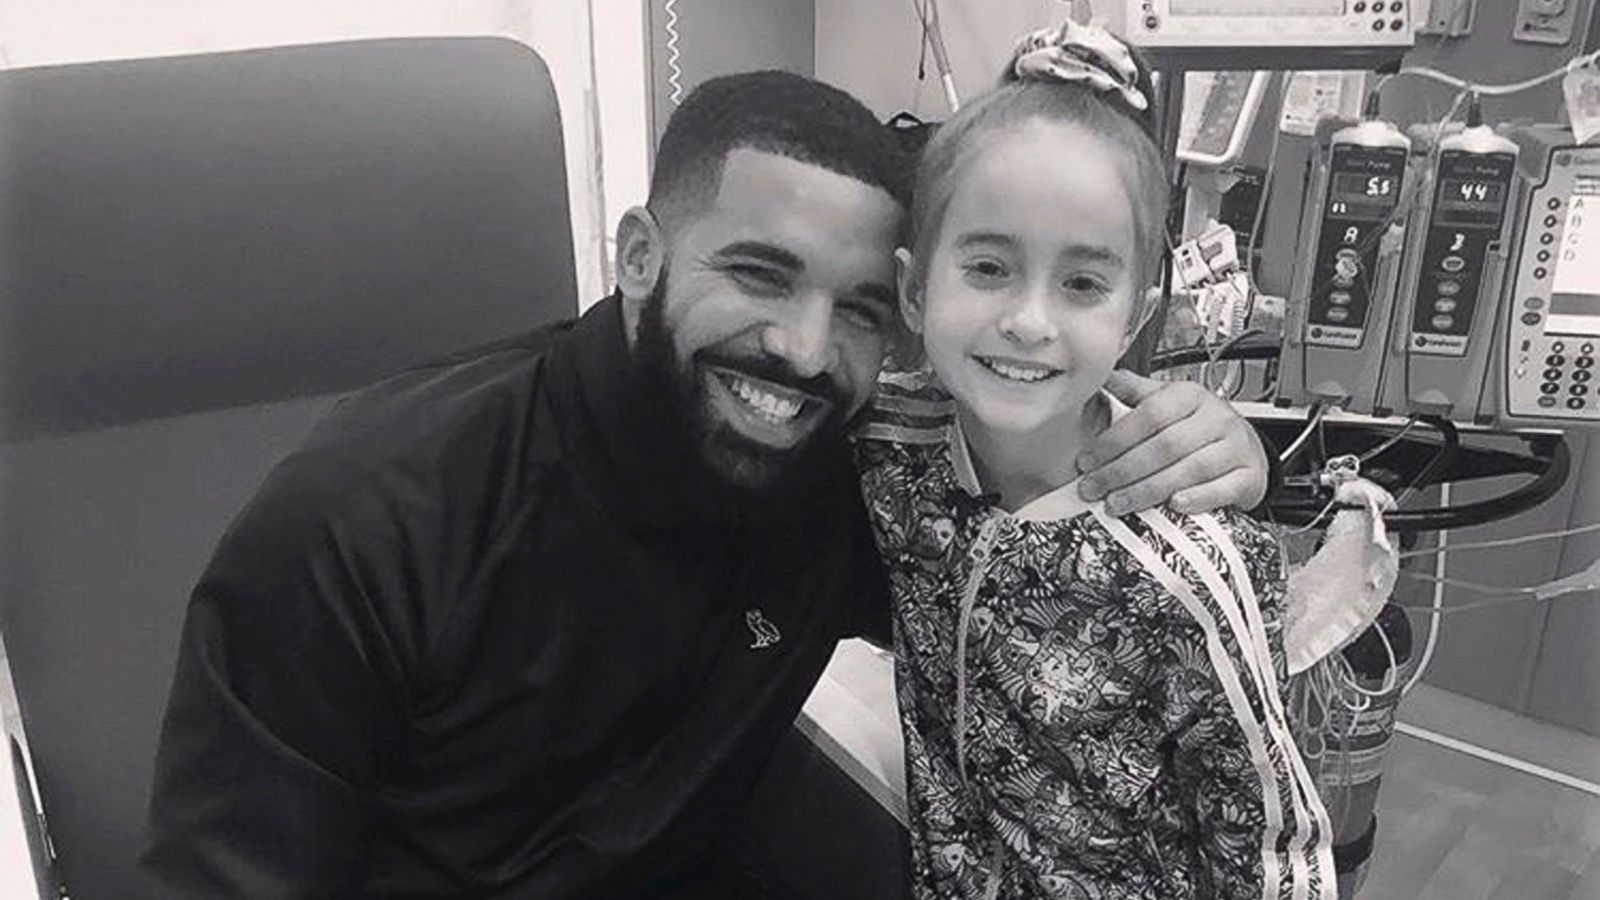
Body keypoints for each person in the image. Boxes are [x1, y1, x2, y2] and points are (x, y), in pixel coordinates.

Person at [143, 68, 1273, 898]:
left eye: (856, 312)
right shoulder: (364, 521)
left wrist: (1207, 448)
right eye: (757, 275)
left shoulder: (849, 470)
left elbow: (1035, 559)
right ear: (639, 256)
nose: (799, 348)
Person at [853, 23, 1334, 900]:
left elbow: (1272, 844)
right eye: (989, 267)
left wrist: (1250, 454)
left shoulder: (1190, 565)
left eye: (1081, 284)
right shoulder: (891, 446)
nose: (1030, 321)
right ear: (915, 291)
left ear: (1135, 314)